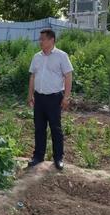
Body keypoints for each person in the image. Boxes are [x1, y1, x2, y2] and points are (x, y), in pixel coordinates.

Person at [27, 28, 73, 171]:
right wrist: (30, 95)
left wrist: (66, 97)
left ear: (51, 40)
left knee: (55, 128)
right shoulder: (37, 57)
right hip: (39, 98)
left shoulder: (61, 56)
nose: (40, 42)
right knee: (39, 128)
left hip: (54, 97)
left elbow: (68, 76)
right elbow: (33, 76)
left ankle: (58, 158)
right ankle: (38, 156)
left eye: (43, 39)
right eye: (40, 39)